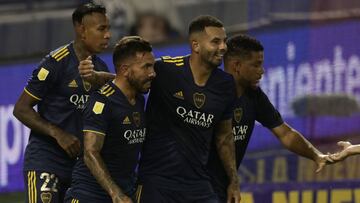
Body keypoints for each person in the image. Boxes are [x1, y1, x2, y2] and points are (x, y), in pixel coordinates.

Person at [206, 34, 334, 203]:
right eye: (256, 65)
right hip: (197, 185)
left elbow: (285, 134)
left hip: (224, 187)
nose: (262, 71)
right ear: (237, 65)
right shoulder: (208, 94)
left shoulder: (254, 96)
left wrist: (317, 156)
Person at [13, 2, 113, 202]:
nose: (108, 35)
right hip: (46, 160)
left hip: (79, 167)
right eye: (101, 29)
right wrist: (58, 133)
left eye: (108, 28)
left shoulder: (100, 68)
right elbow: (21, 109)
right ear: (82, 30)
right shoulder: (55, 63)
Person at [136, 15, 241, 203]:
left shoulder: (225, 84)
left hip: (198, 184)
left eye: (224, 41)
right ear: (196, 46)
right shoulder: (165, 70)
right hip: (157, 181)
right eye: (216, 42)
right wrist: (97, 77)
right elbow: (126, 80)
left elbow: (224, 137)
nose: (223, 47)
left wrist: (233, 181)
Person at [65, 36, 156, 203]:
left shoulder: (139, 98)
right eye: (146, 67)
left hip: (125, 191)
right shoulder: (102, 102)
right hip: (89, 196)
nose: (152, 73)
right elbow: (90, 152)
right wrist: (116, 193)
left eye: (153, 66)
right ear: (125, 69)